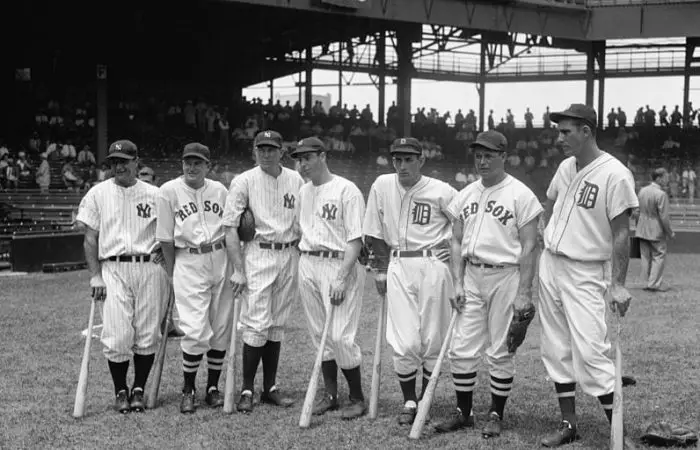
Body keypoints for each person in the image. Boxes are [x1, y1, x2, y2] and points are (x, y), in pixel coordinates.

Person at [538, 104, 638, 447]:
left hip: (585, 269)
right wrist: (545, 230)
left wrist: (619, 283)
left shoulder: (615, 173)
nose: (559, 137)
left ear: (587, 131)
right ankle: (569, 423)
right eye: (559, 130)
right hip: (551, 263)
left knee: (592, 352)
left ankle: (618, 434)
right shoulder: (567, 166)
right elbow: (551, 202)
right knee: (555, 348)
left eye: (566, 131)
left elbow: (622, 232)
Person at [434, 130, 542, 438]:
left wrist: (524, 291)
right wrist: (456, 282)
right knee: (461, 347)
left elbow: (529, 246)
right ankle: (464, 412)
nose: (482, 161)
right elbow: (455, 241)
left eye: (489, 155)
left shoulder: (521, 195)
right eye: (478, 155)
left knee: (500, 350)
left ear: (503, 157)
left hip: (505, 275)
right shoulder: (465, 193)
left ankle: (496, 413)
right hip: (471, 274)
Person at [362, 137, 457, 425]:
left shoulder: (442, 190)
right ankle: (409, 400)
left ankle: (425, 398)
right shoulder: (381, 185)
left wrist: (452, 241)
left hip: (433, 265)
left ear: (421, 160)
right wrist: (379, 269)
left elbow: (465, 221)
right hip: (398, 263)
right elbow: (373, 230)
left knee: (432, 337)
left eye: (408, 159)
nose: (402, 165)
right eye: (397, 159)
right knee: (404, 341)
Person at [75, 139, 170, 414]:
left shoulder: (156, 194)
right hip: (113, 267)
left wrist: (168, 259)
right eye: (114, 162)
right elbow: (90, 238)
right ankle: (120, 390)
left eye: (124, 161)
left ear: (136, 161)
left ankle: (138, 388)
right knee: (116, 335)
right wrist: (95, 276)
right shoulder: (97, 193)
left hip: (150, 267)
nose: (119, 166)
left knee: (148, 331)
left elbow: (168, 233)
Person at [223, 130, 304, 413]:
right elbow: (231, 228)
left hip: (289, 252)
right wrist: (238, 269)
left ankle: (270, 387)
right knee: (256, 322)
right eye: (261, 148)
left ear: (281, 151)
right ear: (254, 150)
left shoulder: (295, 179)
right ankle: (246, 388)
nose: (266, 153)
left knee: (277, 323)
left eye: (271, 148)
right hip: (258, 252)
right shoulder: (243, 180)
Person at [291, 137, 368, 420]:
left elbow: (355, 239)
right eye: (299, 159)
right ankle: (332, 395)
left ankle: (357, 397)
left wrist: (342, 277)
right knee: (318, 333)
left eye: (308, 158)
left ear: (323, 156)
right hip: (308, 261)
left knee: (340, 336)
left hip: (338, 264)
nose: (302, 165)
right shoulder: (303, 192)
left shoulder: (346, 190)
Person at [156, 143, 234, 414]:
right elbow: (165, 237)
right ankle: (188, 388)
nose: (191, 167)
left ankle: (212, 387)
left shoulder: (220, 190)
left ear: (208, 166)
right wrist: (172, 270)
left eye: (197, 163)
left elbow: (231, 228)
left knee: (221, 325)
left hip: (220, 256)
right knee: (194, 327)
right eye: (187, 162)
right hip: (188, 259)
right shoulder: (168, 191)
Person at [635, 168, 674, 292]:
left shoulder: (642, 191)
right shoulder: (661, 194)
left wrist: (638, 226)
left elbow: (636, 212)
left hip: (641, 228)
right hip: (656, 230)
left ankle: (645, 282)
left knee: (645, 257)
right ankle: (654, 284)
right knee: (658, 255)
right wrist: (669, 232)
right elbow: (664, 217)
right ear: (658, 178)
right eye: (665, 177)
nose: (667, 180)